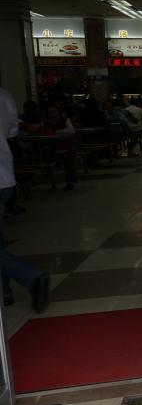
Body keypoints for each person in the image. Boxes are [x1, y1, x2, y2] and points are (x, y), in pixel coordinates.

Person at [0, 87, 50, 311]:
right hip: (4, 175)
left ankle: (31, 276)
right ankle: (4, 292)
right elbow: (12, 131)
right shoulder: (3, 95)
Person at [38, 105, 77, 191]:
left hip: (66, 148)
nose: (53, 114)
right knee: (42, 153)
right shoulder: (44, 122)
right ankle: (47, 171)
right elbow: (42, 133)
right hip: (51, 149)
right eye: (50, 112)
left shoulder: (66, 120)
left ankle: (70, 182)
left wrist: (55, 132)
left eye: (55, 111)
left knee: (69, 159)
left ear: (59, 112)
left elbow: (71, 131)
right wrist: (62, 133)